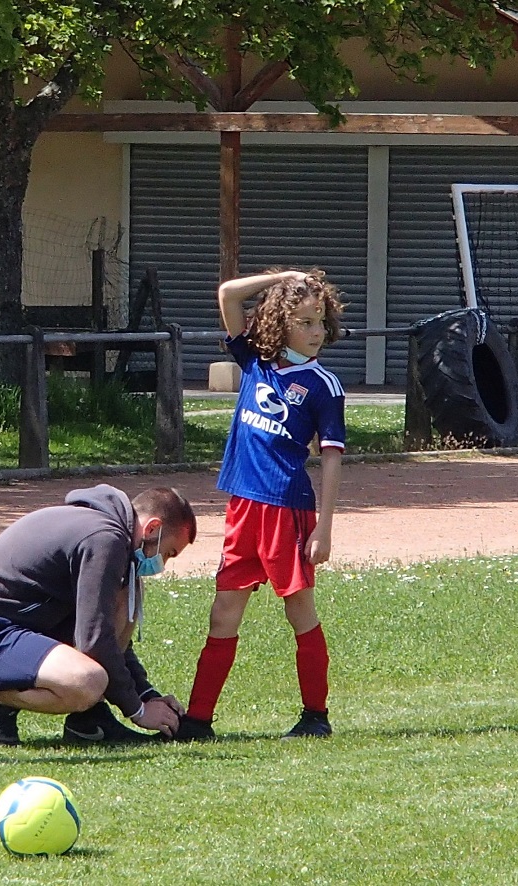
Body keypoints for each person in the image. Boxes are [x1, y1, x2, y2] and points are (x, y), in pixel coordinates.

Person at [175, 268, 346, 741]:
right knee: (223, 613)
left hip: (286, 508)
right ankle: (198, 721)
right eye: (305, 322)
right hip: (243, 508)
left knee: (299, 611)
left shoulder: (323, 385)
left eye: (320, 321)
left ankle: (316, 716)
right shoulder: (255, 360)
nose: (316, 332)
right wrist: (285, 277)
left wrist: (324, 528)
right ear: (280, 322)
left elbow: (331, 459)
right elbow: (228, 294)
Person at [0, 485, 197, 747]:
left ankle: (90, 721)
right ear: (152, 528)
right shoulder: (104, 539)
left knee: (128, 592)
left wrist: (146, 694)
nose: (162, 565)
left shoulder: (107, 531)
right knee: (87, 681)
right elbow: (95, 640)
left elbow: (106, 630)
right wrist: (138, 711)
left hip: (16, 626)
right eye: (168, 553)